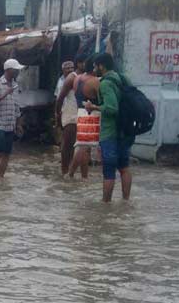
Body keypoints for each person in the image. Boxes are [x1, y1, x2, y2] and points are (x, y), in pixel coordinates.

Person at [85, 53, 134, 202]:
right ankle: (126, 201)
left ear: (102, 66)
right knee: (124, 167)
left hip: (110, 133)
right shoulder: (123, 78)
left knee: (109, 171)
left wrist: (92, 106)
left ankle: (105, 206)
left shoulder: (106, 83)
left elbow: (112, 108)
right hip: (125, 130)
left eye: (95, 66)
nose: (94, 69)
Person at [0, 58, 24, 179]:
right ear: (8, 70)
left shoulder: (15, 85)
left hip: (10, 125)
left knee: (7, 154)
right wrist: (4, 94)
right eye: (16, 70)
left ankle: (1, 178)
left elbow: (17, 107)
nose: (18, 72)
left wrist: (18, 125)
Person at [68, 55, 102, 179]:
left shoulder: (77, 79)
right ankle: (71, 174)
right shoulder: (95, 82)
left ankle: (84, 177)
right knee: (83, 148)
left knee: (84, 147)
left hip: (80, 114)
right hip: (90, 117)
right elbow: (101, 100)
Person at [54, 60, 79, 177]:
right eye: (67, 68)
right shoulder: (60, 81)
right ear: (62, 69)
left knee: (72, 142)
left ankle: (68, 167)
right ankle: (65, 169)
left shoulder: (75, 79)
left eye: (71, 67)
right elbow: (58, 98)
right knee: (66, 142)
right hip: (64, 113)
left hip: (72, 113)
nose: (70, 70)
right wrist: (57, 114)